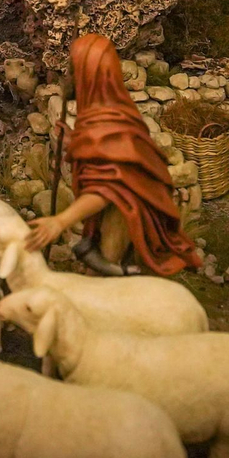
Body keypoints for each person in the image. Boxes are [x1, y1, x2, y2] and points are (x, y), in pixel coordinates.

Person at [23, 34, 202, 277]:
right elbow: (99, 154)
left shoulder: (107, 122)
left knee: (105, 274)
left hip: (128, 211)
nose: (68, 77)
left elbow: (106, 187)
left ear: (90, 74)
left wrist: (60, 221)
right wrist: (72, 141)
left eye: (74, 69)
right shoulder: (106, 108)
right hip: (123, 202)